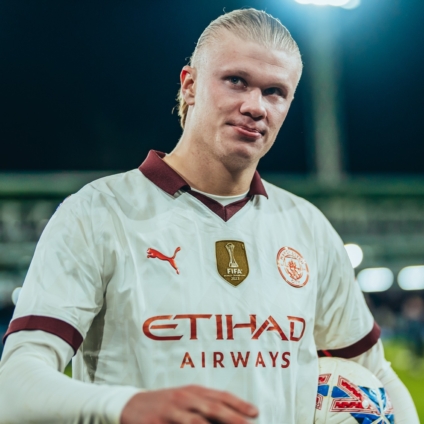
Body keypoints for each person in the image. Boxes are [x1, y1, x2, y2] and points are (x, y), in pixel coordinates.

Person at [0, 8, 419, 424]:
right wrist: (124, 406)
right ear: (190, 85)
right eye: (236, 81)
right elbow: (14, 387)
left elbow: (376, 375)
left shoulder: (307, 226)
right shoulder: (98, 212)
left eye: (275, 91)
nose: (255, 106)